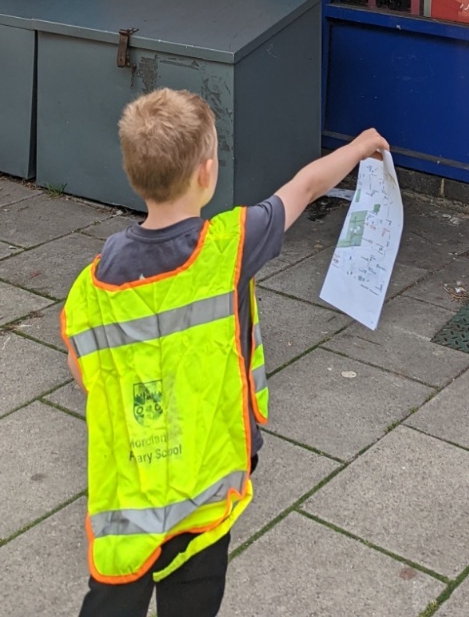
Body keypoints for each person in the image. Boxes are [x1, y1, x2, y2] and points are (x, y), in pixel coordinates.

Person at [61, 88, 389, 617]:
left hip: (133, 481)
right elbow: (306, 186)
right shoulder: (230, 246)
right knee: (196, 589)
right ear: (207, 172)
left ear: (132, 173)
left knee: (117, 589)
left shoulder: (95, 281)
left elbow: (84, 373)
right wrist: (358, 147)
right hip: (208, 475)